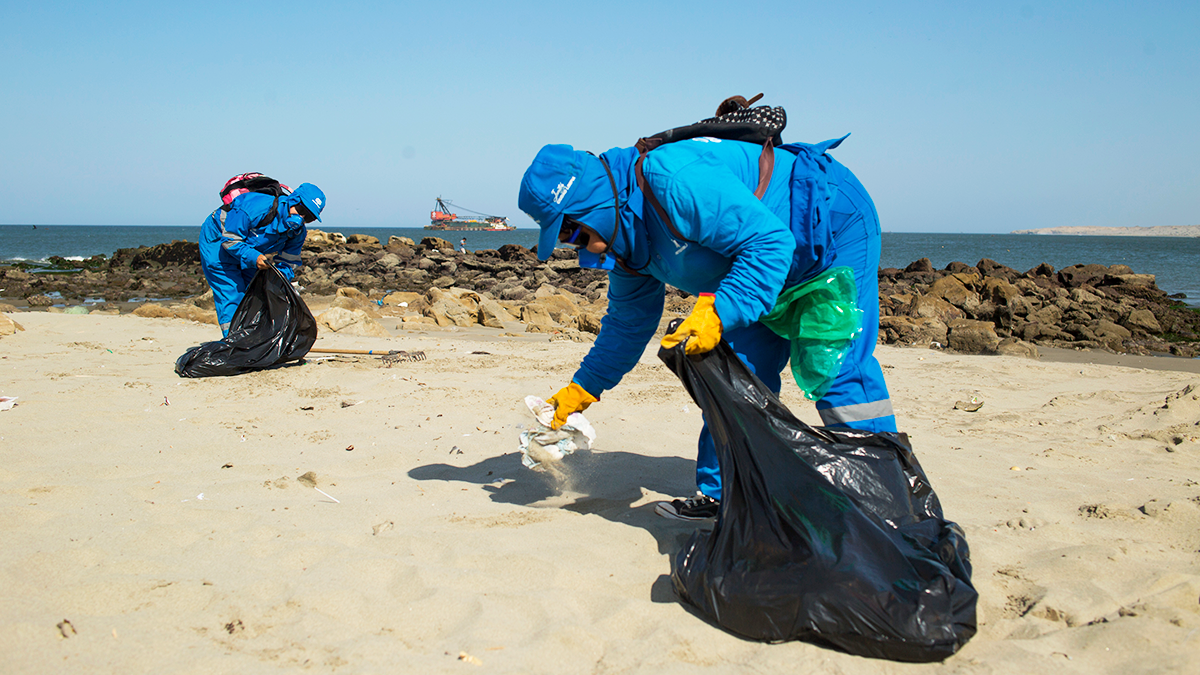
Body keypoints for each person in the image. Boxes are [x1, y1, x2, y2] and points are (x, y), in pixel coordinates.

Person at [517, 135, 896, 521]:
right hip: (761, 260)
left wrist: (718, 313)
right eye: (567, 242)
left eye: (573, 233)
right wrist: (582, 389)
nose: (581, 249)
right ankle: (726, 495)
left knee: (833, 361)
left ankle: (883, 496)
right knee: (735, 374)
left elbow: (769, 243)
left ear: (593, 206)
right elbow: (627, 327)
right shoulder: (628, 244)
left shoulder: (672, 179)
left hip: (828, 221)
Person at [200, 181, 326, 336]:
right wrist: (255, 257)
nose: (301, 218)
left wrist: (277, 281)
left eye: (309, 217)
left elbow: (289, 262)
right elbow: (230, 240)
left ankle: (249, 340)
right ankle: (232, 342)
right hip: (218, 241)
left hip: (248, 250)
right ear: (293, 200)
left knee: (254, 294)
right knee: (231, 293)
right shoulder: (256, 207)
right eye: (301, 210)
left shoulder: (297, 233)